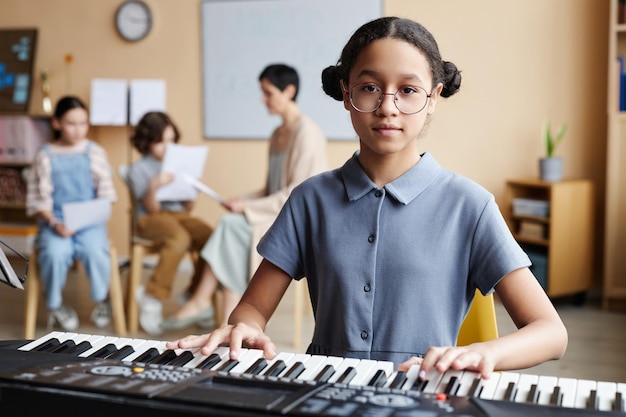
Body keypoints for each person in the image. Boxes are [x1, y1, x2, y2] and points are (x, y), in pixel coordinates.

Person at [168, 17, 567, 380]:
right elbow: (253, 308)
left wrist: (485, 353)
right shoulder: (310, 199)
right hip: (323, 392)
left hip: (423, 396)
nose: (387, 107)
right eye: (370, 88)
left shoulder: (470, 205)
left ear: (432, 99)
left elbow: (550, 333)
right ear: (346, 94)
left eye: (408, 90)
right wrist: (246, 327)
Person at [161, 64, 327, 331]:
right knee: (233, 228)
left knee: (231, 227)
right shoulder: (276, 135)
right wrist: (240, 199)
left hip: (293, 217)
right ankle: (227, 318)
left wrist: (247, 207)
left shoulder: (307, 133)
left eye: (268, 92)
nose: (263, 99)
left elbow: (298, 193)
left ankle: (205, 303)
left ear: (290, 91)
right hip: (273, 210)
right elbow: (269, 188)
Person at [26, 95, 117, 331]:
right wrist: (55, 223)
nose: (78, 130)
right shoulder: (45, 155)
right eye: (71, 123)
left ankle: (103, 299)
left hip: (89, 222)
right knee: (54, 253)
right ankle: (55, 305)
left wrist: (87, 217)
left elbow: (106, 194)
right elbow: (39, 199)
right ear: (56, 123)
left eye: (83, 123)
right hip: (55, 221)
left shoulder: (95, 152)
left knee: (95, 251)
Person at [127, 111, 214, 336]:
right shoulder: (138, 170)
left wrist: (192, 190)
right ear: (147, 142)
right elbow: (152, 208)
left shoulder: (178, 165)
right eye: (161, 141)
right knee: (179, 239)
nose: (168, 147)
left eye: (172, 140)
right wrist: (154, 185)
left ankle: (195, 293)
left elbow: (187, 208)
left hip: (178, 216)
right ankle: (152, 295)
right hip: (152, 218)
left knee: (212, 237)